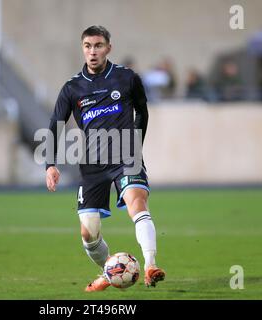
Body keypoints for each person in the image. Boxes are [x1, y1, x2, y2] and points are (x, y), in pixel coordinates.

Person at [45, 25, 166, 292]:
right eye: (88, 46)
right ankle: (108, 273)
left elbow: (142, 113)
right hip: (92, 163)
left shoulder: (127, 78)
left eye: (98, 46)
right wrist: (50, 164)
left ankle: (150, 265)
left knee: (137, 203)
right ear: (83, 49)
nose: (93, 51)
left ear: (108, 48)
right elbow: (56, 123)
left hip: (126, 156)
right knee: (88, 233)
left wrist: (135, 143)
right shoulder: (72, 88)